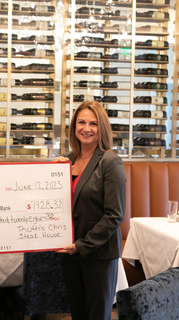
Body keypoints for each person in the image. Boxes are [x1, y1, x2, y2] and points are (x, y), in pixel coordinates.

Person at [55, 100, 126, 320]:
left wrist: (82, 245)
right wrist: (52, 174)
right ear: (74, 126)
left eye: (93, 123)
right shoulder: (67, 160)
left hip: (99, 255)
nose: (86, 128)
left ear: (101, 128)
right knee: (78, 314)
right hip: (70, 254)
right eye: (82, 122)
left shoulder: (110, 162)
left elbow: (114, 215)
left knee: (97, 316)